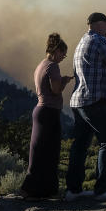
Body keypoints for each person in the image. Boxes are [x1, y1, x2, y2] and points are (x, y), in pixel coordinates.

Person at [66, 13, 106, 202]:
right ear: (98, 24)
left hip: (79, 102)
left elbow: (100, 64)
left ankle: (73, 190)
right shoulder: (100, 40)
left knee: (81, 145)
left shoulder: (83, 41)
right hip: (94, 101)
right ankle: (103, 188)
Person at [19, 35, 73, 199]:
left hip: (41, 110)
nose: (63, 57)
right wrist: (64, 82)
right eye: (63, 53)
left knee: (39, 150)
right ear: (56, 51)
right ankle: (45, 190)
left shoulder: (41, 65)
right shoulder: (53, 66)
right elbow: (56, 90)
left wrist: (60, 80)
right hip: (49, 112)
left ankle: (36, 189)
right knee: (50, 151)